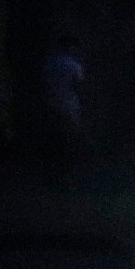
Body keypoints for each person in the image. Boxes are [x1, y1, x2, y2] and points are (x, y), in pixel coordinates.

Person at [40, 34, 87, 186]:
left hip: (51, 104)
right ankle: (67, 174)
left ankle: (52, 174)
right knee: (69, 141)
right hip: (69, 107)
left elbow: (45, 83)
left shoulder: (50, 63)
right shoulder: (73, 65)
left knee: (54, 140)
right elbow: (79, 86)